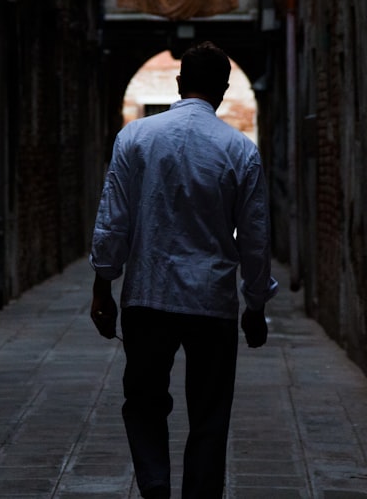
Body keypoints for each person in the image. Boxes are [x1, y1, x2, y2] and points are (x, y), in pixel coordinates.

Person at [89, 41, 278, 499]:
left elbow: (113, 218)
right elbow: (254, 239)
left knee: (144, 402)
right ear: (224, 89)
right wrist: (255, 305)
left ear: (178, 83)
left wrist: (102, 286)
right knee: (210, 412)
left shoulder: (135, 138)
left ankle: (154, 485)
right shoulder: (240, 151)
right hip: (211, 302)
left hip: (148, 296)